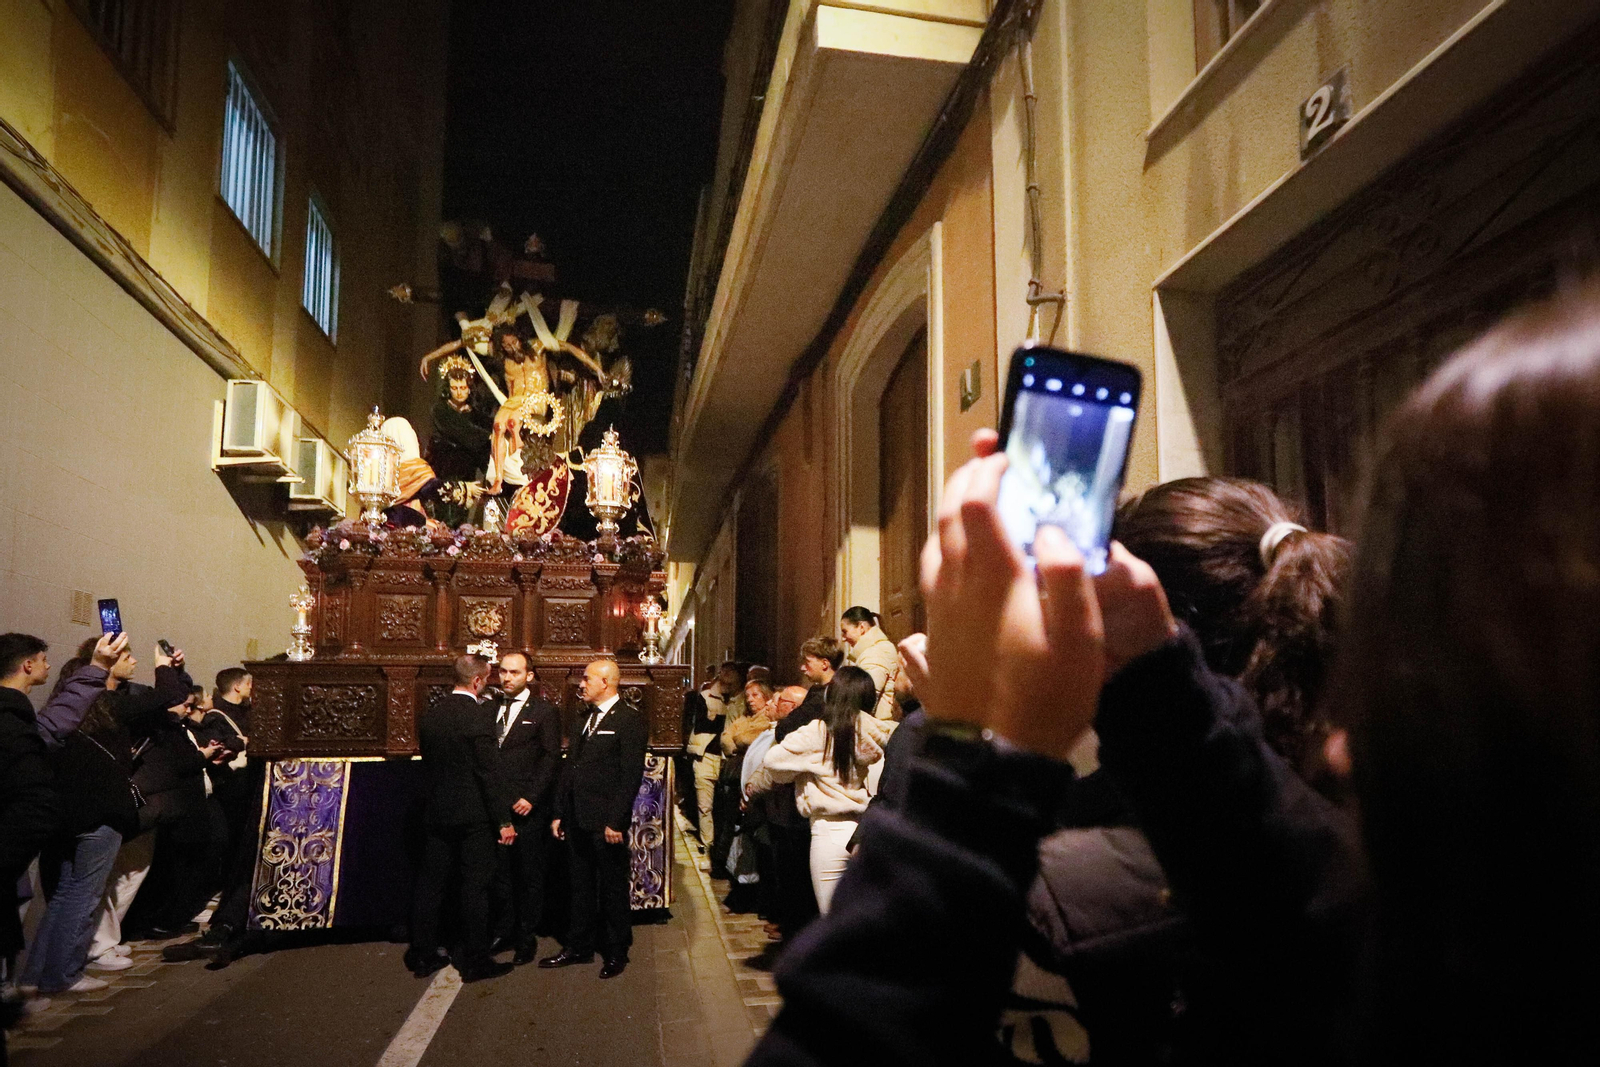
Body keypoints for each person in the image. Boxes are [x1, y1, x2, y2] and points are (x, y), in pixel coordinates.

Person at [0, 632, 119, 1020]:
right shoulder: (10, 722)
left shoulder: (21, 718)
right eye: (43, 660)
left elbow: (54, 723)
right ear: (28, 665)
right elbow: (32, 797)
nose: (48, 667)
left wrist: (98, 667)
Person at [406, 654, 515, 983]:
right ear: (478, 681)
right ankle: (476, 961)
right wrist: (503, 820)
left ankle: (423, 955)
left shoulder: (432, 714)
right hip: (473, 816)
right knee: (475, 888)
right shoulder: (478, 717)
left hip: (437, 812)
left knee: (431, 885)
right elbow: (488, 773)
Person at [751, 666, 889, 914]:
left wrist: (804, 767)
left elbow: (773, 761)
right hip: (868, 832)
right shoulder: (881, 730)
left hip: (828, 831)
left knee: (833, 924)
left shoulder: (819, 731)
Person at [542, 658, 648, 979]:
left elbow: (630, 776)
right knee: (580, 885)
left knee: (612, 888)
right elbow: (570, 769)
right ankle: (580, 946)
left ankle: (617, 951)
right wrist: (560, 812)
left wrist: (616, 821)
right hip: (577, 818)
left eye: (587, 679)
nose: (581, 684)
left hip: (606, 822)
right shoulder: (582, 719)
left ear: (606, 682)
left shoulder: (630, 720)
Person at [489, 651, 561, 965]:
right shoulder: (489, 707)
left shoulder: (544, 711)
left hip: (527, 808)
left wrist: (532, 796)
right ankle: (505, 930)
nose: (507, 678)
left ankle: (525, 936)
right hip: (496, 805)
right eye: (503, 672)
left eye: (514, 672)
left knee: (528, 873)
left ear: (529, 676)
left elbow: (550, 757)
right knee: (500, 873)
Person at [840, 607, 900, 719]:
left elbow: (865, 701)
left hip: (879, 728)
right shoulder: (875, 650)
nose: (843, 638)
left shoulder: (875, 653)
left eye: (845, 632)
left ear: (861, 627)